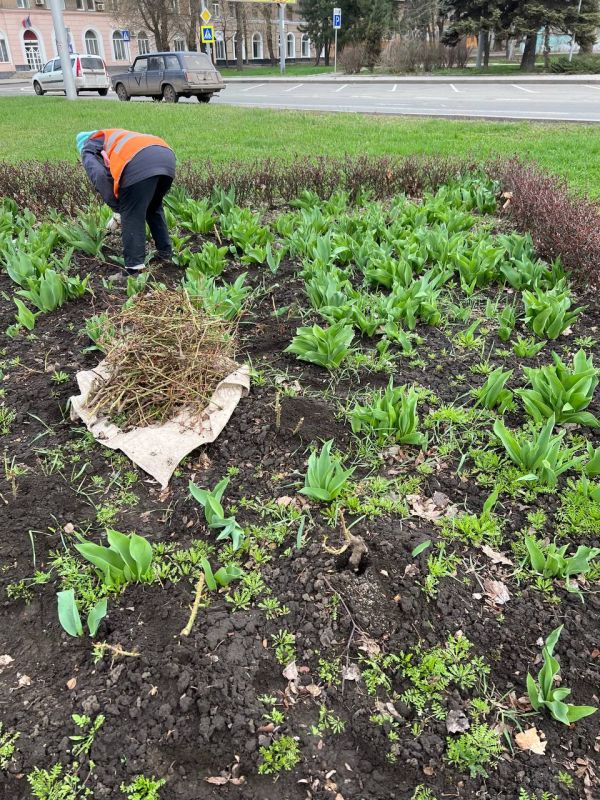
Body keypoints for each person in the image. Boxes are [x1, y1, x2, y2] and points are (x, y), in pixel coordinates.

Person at [76, 129, 176, 276]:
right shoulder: (112, 137)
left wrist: (118, 209)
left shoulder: (88, 147)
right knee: (153, 206)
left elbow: (100, 176)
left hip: (139, 163)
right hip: (166, 158)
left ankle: (133, 271)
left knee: (132, 213)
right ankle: (165, 253)